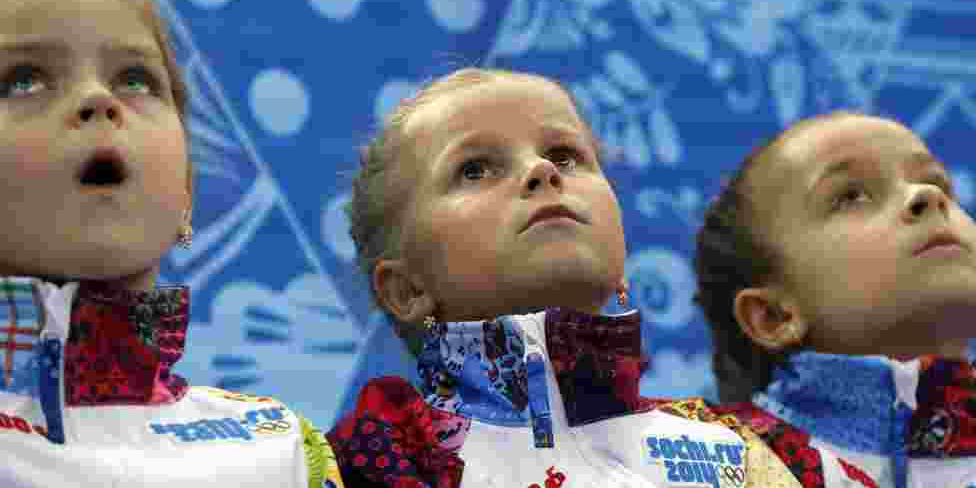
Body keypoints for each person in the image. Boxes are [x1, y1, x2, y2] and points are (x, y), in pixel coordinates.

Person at [329, 67, 877, 488]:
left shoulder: (772, 460)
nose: (541, 172)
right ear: (406, 289)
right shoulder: (356, 466)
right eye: (474, 168)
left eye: (566, 157)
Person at [0, 0, 342, 488]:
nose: (98, 99)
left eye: (135, 79)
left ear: (185, 192)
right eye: (22, 80)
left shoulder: (281, 449)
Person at [693, 110, 976, 488]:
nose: (928, 197)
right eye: (850, 197)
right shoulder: (714, 474)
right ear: (772, 316)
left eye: (938, 184)